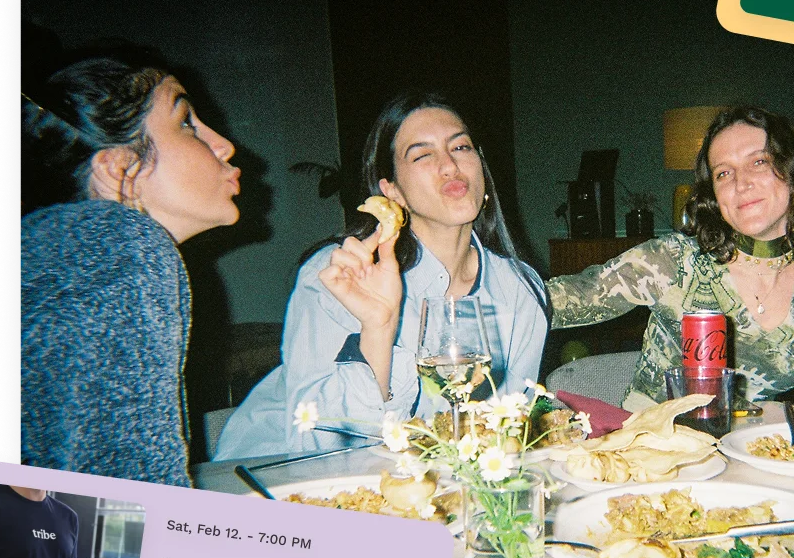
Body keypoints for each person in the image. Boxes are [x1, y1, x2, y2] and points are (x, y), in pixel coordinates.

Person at [215, 93, 548, 457]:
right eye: (422, 155)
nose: (450, 165)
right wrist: (378, 331)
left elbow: (505, 433)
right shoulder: (343, 275)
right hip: (268, 472)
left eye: (461, 147)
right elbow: (316, 445)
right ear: (392, 191)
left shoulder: (520, 290)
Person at [549, 106, 794, 409]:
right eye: (724, 172)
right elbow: (549, 301)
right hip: (653, 453)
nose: (740, 182)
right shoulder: (674, 262)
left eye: (759, 162)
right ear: (714, 194)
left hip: (751, 451)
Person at [20, 52, 241, 486]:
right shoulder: (126, 244)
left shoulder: (58, 254)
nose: (224, 145)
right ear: (118, 168)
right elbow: (124, 507)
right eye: (186, 122)